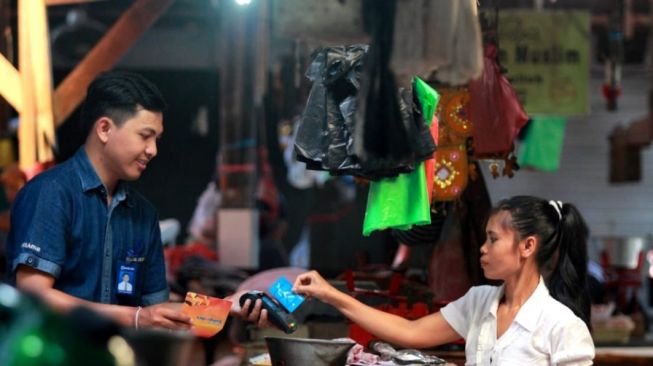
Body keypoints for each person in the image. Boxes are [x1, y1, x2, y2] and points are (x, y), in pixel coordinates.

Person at [6, 71, 267, 330]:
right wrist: (136, 317)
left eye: (157, 139)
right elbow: (34, 295)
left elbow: (157, 312)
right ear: (105, 129)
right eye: (145, 135)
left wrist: (225, 306)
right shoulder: (51, 193)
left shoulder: (142, 214)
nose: (153, 150)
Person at [294, 196, 595, 365]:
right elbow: (408, 332)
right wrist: (331, 294)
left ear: (527, 246)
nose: (483, 248)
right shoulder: (479, 302)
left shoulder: (562, 326)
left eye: (493, 239)